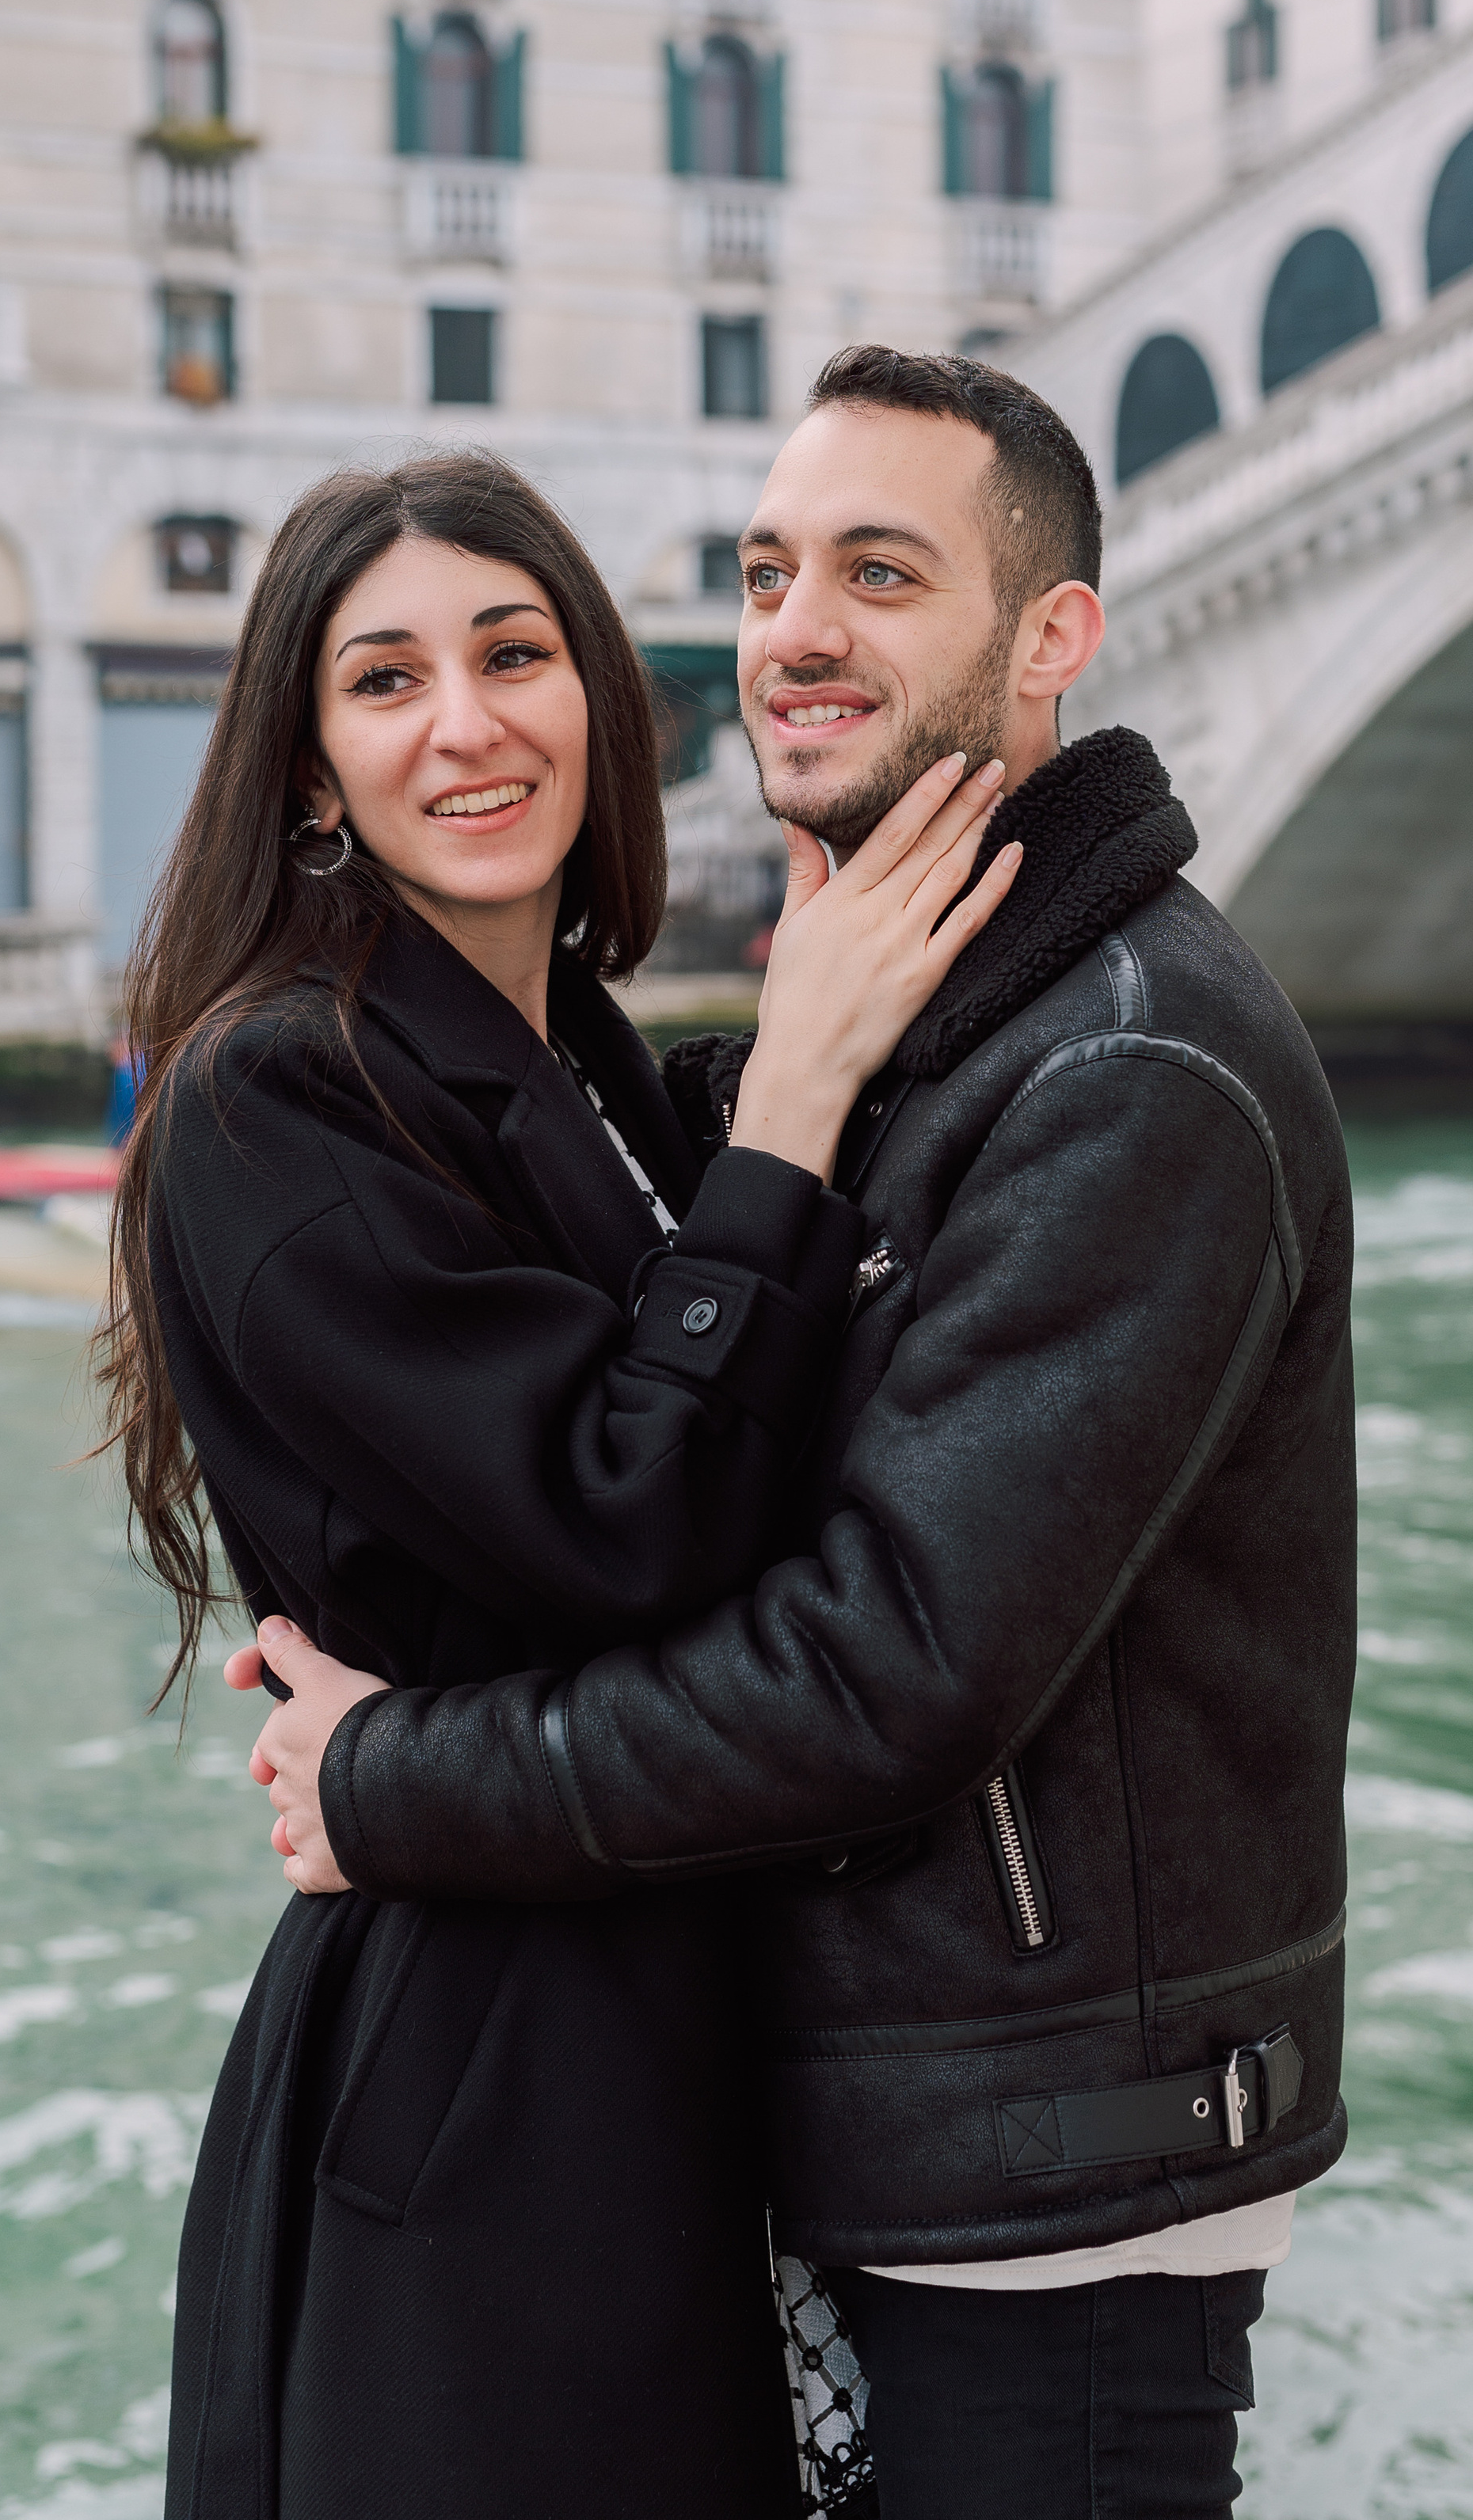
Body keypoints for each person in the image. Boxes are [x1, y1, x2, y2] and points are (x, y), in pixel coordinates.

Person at [245, 351, 1360, 2520]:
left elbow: (886, 1668)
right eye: (767, 575)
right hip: (916, 2125)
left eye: (881, 573)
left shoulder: (1130, 1072)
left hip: (1052, 2178)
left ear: (1051, 637)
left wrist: (390, 1778)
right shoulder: (939, 1030)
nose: (797, 632)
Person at [94, 447, 1024, 2520]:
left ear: (596, 694)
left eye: (513, 655)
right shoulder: (274, 1089)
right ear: (309, 772)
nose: (468, 724)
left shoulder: (580, 1055)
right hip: (494, 2075)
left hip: (653, 1987)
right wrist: (797, 1091)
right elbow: (628, 1524)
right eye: (387, 680)